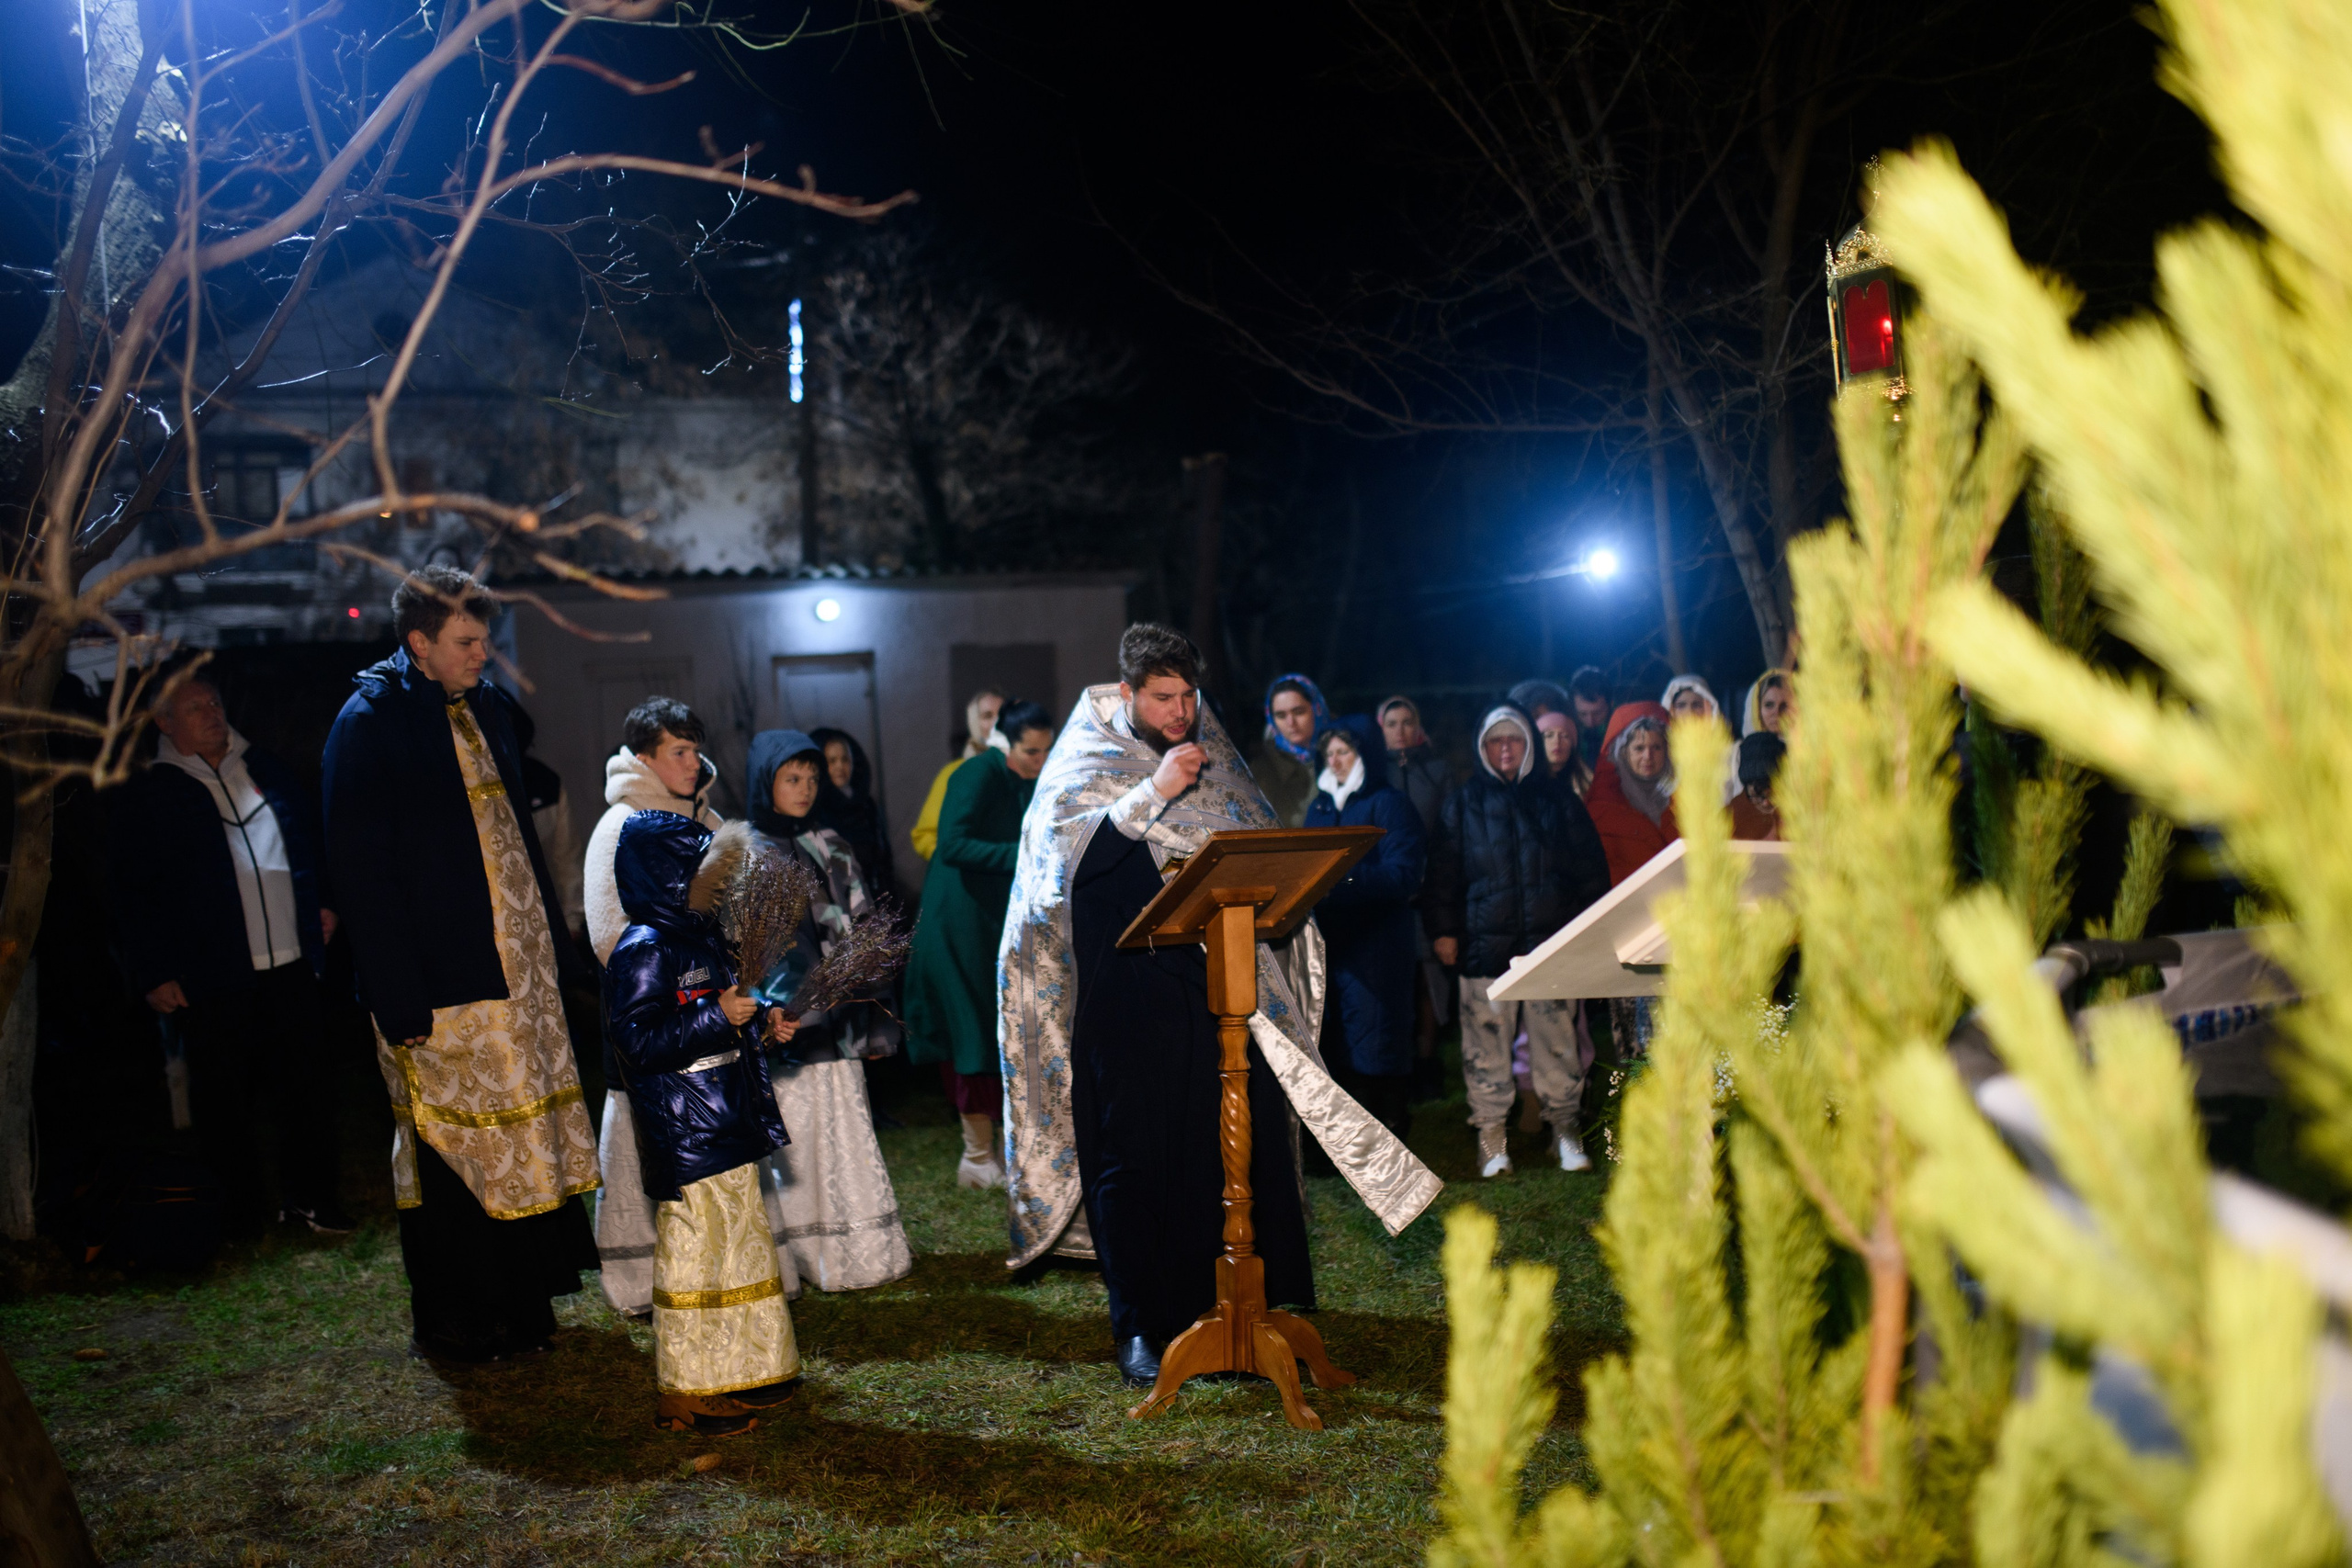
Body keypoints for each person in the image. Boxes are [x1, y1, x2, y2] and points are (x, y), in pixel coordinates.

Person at [999, 626, 1439, 1389]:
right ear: (1129, 693)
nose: (1180, 710)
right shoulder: (1084, 759)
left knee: (1221, 1149)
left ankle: (1228, 1306)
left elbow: (1257, 848)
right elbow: (1059, 872)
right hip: (1125, 994)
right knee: (1136, 1157)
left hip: (1217, 992)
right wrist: (1154, 793)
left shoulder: (1217, 755)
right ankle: (1141, 1322)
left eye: (1189, 695)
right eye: (1163, 697)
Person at [323, 566, 600, 1363]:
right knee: (456, 1155)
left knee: (522, 1147)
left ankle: (521, 1307)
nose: (484, 653)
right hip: (442, 990)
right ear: (419, 643)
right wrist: (398, 996)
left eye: (485, 638)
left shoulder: (484, 711)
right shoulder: (368, 724)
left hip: (519, 985)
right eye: (467, 641)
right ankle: (459, 1318)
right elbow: (362, 872)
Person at [107, 673, 347, 1236]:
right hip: (214, 972)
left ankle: (310, 1200)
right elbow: (132, 889)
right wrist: (155, 970)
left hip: (289, 961)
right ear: (164, 722)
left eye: (213, 701)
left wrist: (324, 903)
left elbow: (309, 839)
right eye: (193, 708)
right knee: (225, 1100)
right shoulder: (151, 792)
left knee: (305, 1091)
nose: (211, 713)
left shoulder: (264, 768)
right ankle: (241, 1211)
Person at [604, 811, 803, 1437]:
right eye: (697, 873)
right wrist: (719, 1015)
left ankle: (749, 1365)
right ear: (665, 877)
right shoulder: (642, 950)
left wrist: (760, 1018)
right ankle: (688, 1386)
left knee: (739, 1246)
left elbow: (723, 1010)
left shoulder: (704, 937)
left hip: (727, 1118)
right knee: (697, 1254)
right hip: (686, 1132)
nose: (711, 885)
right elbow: (638, 1042)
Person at [744, 729, 914, 1292]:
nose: (805, 789)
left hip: (832, 1023)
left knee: (836, 1131)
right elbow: (743, 944)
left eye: (812, 779)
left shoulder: (830, 844)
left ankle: (846, 1252)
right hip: (780, 1026)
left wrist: (855, 976)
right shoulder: (744, 851)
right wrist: (770, 1004)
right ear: (764, 781)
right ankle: (793, 1254)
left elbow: (863, 922)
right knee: (793, 1138)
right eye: (792, 778)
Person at [1425, 706, 1611, 1178]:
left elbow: (1588, 871)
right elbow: (1442, 875)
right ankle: (1491, 1136)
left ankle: (1564, 1131)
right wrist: (1444, 931)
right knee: (1485, 1045)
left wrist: (1588, 930)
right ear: (1481, 748)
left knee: (1558, 1041)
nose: (1505, 749)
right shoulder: (1462, 803)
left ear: (1529, 746)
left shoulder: (1558, 800)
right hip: (1484, 947)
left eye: (1514, 740)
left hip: (1550, 946)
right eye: (1494, 742)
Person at [584, 696, 725, 1318]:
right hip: (655, 1016)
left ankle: (722, 1261)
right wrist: (675, 980)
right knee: (642, 1135)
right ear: (644, 757)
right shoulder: (618, 827)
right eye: (678, 751)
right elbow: (609, 930)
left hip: (712, 1012)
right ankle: (640, 1274)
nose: (693, 763)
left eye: (696, 749)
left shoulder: (712, 821)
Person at [904, 699, 1054, 1190]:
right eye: (1032, 751)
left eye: (1045, 751)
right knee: (969, 1036)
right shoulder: (975, 774)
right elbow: (951, 843)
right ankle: (977, 1156)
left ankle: (999, 1154)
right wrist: (1026, 854)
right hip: (957, 928)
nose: (1040, 760)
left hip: (986, 925)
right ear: (1006, 745)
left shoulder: (1023, 778)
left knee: (995, 1033)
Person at [1303, 716, 1426, 1140]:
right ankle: (1348, 1141)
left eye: (1344, 752)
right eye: (1329, 753)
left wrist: (1342, 880)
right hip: (1331, 943)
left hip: (1378, 943)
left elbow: (1405, 873)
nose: (1335, 761)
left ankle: (1391, 1131)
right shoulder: (1319, 807)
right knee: (1336, 1039)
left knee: (1379, 1038)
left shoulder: (1389, 803)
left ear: (1365, 755)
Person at [1375, 694, 1453, 1093]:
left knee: (1429, 979)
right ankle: (1398, 1067)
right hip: (1388, 892)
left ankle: (1427, 1061)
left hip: (1427, 889)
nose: (1400, 730)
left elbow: (1445, 831)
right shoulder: (1373, 772)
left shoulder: (1436, 770)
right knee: (1396, 979)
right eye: (1392, 723)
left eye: (1408, 722)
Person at [1587, 702, 1682, 885]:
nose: (1648, 756)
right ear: (1623, 752)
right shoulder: (1600, 809)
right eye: (1639, 748)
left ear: (1668, 751)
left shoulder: (1689, 802)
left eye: (1656, 747)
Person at [910, 689, 1005, 861]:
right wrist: (950, 864)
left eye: (1002, 714)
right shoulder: (954, 773)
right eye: (987, 716)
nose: (997, 722)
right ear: (974, 722)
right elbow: (925, 834)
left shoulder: (1024, 770)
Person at [811, 728, 895, 900]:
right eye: (832, 761)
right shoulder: (816, 810)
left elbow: (883, 856)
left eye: (845, 759)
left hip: (873, 896)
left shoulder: (866, 804)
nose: (840, 766)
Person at [1255, 673, 1329, 828]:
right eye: (1281, 715)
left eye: (1299, 712)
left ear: (1316, 708)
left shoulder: (1341, 754)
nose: (1291, 723)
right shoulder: (1261, 771)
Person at [1730, 732, 1788, 841]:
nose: (1766, 802)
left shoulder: (1799, 814)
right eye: (1757, 794)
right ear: (1746, 787)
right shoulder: (1730, 818)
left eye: (1772, 794)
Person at [1534, 708, 1592, 796]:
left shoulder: (1587, 780)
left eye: (1564, 736)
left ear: (1572, 745)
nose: (1557, 741)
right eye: (1549, 736)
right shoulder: (1528, 781)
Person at [1567, 668, 1611, 772]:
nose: (1590, 721)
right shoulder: (1566, 732)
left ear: (1611, 705)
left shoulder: (1625, 732)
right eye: (1582, 714)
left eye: (1597, 713)